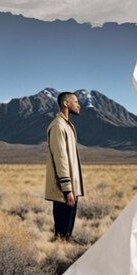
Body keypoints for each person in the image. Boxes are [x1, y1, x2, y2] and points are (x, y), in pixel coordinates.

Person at [45, 91, 84, 240]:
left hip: (70, 188)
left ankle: (66, 254)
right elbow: (61, 158)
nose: (78, 104)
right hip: (64, 189)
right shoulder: (58, 126)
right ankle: (60, 258)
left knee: (67, 232)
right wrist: (67, 188)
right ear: (65, 104)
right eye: (75, 101)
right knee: (62, 233)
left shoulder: (67, 125)